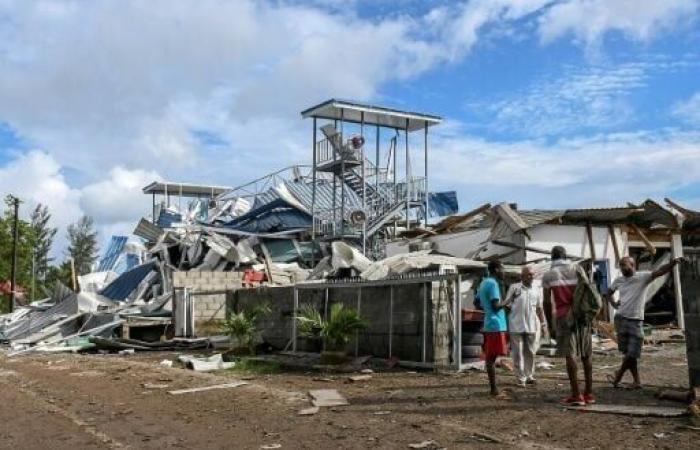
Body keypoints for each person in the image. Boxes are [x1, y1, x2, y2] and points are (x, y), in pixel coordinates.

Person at [604, 255, 683, 389]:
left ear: (632, 265)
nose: (622, 268)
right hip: (621, 319)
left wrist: (673, 263)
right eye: (621, 265)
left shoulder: (643, 277)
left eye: (624, 265)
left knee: (632, 352)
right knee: (628, 353)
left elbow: (660, 272)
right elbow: (608, 292)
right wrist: (613, 304)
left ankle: (618, 376)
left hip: (635, 321)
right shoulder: (619, 280)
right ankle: (637, 381)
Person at [542, 246, 594, 406]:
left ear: (552, 257)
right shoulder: (577, 268)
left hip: (564, 317)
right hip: (582, 315)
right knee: (586, 354)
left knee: (570, 355)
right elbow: (588, 290)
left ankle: (576, 395)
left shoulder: (549, 275)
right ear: (565, 256)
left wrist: (550, 325)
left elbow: (546, 302)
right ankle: (589, 394)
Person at [504, 265, 547, 387]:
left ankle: (529, 375)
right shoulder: (514, 288)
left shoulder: (537, 290)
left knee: (531, 352)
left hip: (532, 325)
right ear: (522, 276)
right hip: (516, 325)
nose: (531, 277)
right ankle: (521, 377)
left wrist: (543, 325)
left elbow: (539, 308)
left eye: (533, 274)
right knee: (517, 353)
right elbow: (507, 305)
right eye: (529, 274)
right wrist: (509, 321)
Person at [479, 260, 509, 398]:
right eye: (503, 268)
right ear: (496, 270)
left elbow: (476, 302)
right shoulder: (493, 284)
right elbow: (496, 305)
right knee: (491, 358)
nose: (504, 271)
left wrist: (487, 308)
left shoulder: (484, 283)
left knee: (491, 356)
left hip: (489, 322)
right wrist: (508, 301)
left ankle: (494, 389)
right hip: (495, 324)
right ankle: (494, 390)